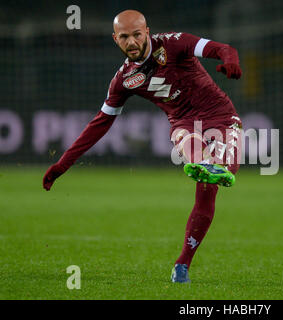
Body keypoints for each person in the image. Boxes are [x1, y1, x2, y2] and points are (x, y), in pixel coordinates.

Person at [42, 9, 243, 283]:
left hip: (221, 117)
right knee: (197, 161)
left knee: (223, 177)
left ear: (147, 31)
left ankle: (213, 169)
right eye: (124, 37)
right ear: (116, 39)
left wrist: (230, 59)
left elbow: (221, 48)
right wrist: (62, 164)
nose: (132, 42)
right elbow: (100, 123)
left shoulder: (174, 43)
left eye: (137, 34)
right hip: (183, 123)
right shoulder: (124, 79)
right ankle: (205, 168)